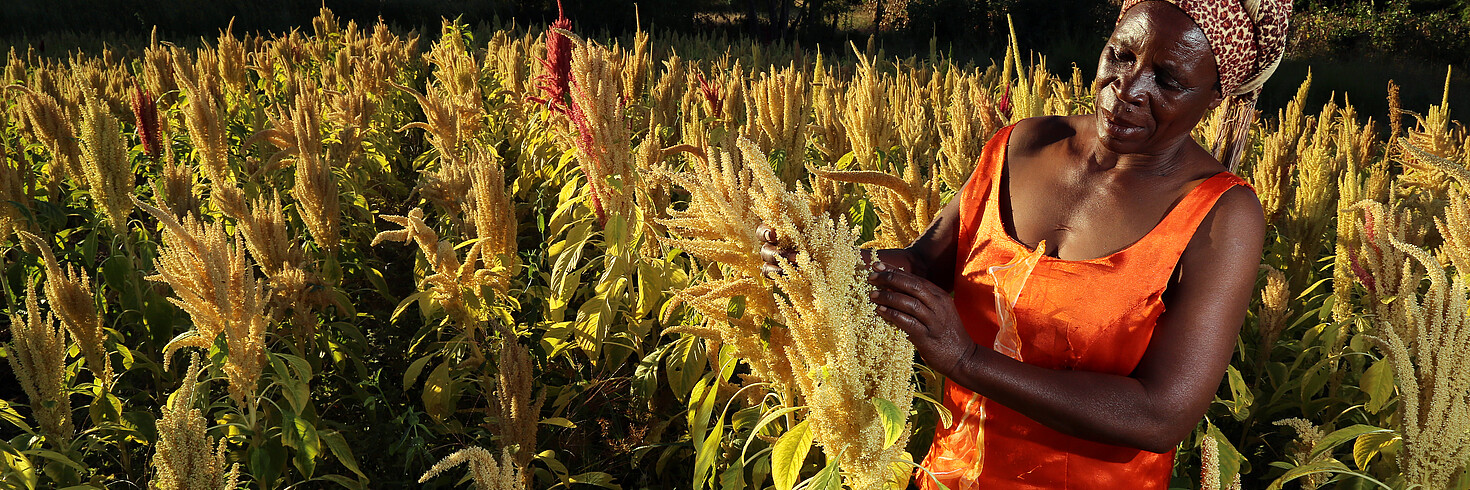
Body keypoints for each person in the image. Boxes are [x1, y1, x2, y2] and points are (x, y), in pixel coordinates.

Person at [759, 0, 1292, 487]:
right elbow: (926, 263)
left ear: (1216, 96)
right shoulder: (1025, 143)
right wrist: (820, 256)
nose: (1127, 89)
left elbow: (1160, 415)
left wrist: (968, 361)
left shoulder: (1221, 214)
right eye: (1121, 55)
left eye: (1168, 81)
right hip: (951, 473)